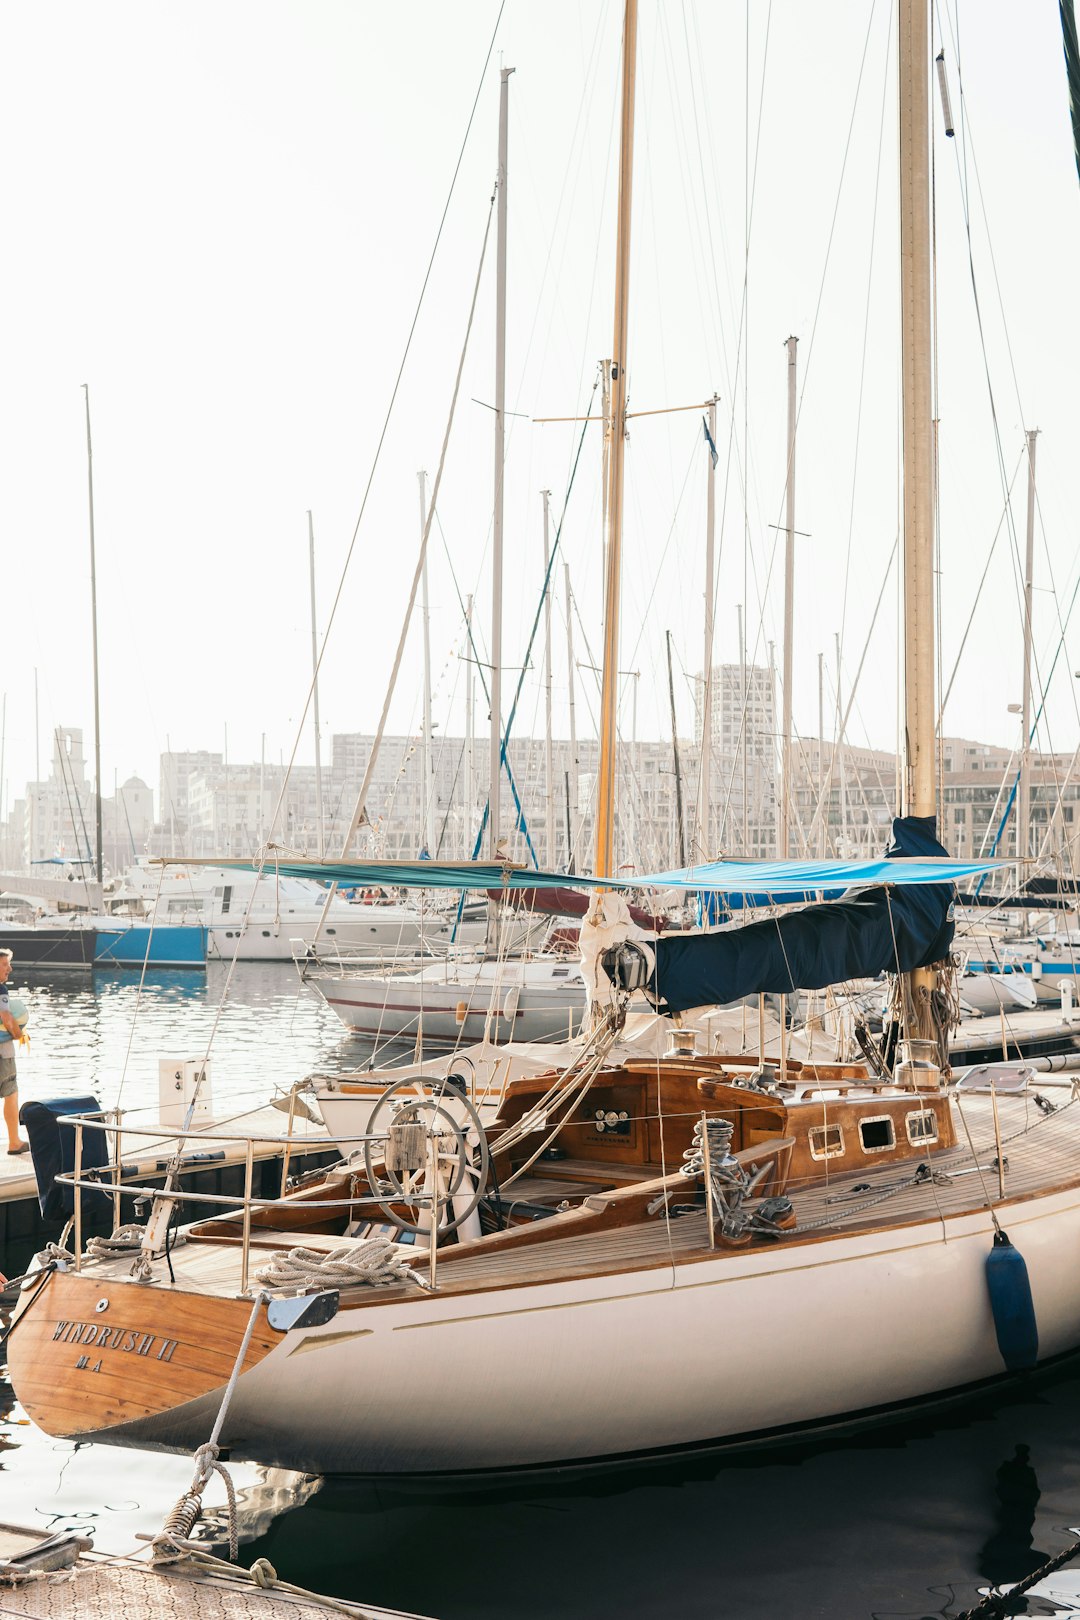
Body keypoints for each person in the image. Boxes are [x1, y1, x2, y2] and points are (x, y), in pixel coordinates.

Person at [0, 950, 27, 1154]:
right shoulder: (1, 989)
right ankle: (14, 1142)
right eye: (5, 964)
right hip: (2, 1055)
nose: (10, 968)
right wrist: (18, 1034)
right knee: (11, 1093)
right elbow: (6, 1017)